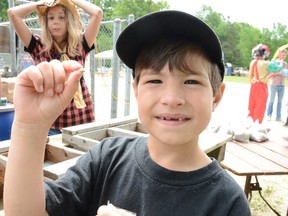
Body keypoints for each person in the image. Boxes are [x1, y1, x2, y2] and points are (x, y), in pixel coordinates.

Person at [4, 10, 251, 215]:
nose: (172, 99)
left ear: (216, 96)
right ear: (136, 91)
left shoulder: (227, 202)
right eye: (155, 81)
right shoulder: (107, 158)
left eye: (191, 82)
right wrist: (29, 127)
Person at [7, 0, 103, 135]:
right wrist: (41, 4)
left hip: (81, 118)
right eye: (51, 18)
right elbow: (13, 14)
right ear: (46, 22)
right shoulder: (38, 47)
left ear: (68, 20)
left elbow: (98, 13)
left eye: (61, 17)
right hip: (50, 119)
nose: (55, 22)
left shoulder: (80, 45)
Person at [247, 44, 270, 124]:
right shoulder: (265, 63)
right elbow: (276, 69)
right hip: (261, 86)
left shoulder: (252, 62)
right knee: (260, 106)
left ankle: (250, 121)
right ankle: (257, 122)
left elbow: (250, 76)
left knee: (252, 104)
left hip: (253, 85)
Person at [266, 49, 288, 121]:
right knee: (271, 100)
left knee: (280, 102)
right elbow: (270, 73)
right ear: (279, 54)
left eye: (285, 55)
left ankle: (278, 116)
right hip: (274, 84)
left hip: (282, 85)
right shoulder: (274, 63)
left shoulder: (285, 64)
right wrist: (278, 73)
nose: (284, 56)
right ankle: (269, 115)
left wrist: (285, 74)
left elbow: (286, 74)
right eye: (283, 55)